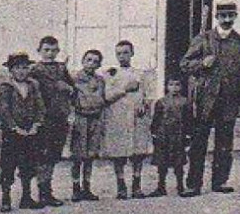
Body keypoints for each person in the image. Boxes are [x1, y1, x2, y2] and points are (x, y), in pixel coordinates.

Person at [181, 0, 240, 196]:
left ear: (235, 16)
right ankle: (193, 184)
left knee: (224, 144)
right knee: (198, 144)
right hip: (205, 99)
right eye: (223, 16)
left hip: (229, 100)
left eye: (231, 16)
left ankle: (220, 181)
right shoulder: (204, 39)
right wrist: (202, 64)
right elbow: (184, 64)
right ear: (217, 17)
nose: (227, 20)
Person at [101, 40, 152, 200]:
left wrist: (145, 105)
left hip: (137, 116)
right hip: (118, 115)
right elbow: (107, 96)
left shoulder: (140, 73)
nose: (122, 56)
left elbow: (147, 94)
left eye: (125, 52)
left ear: (132, 53)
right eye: (119, 53)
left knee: (138, 151)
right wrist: (124, 89)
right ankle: (121, 185)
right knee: (119, 151)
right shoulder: (109, 74)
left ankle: (136, 184)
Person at [0, 52, 45, 212]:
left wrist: (36, 124)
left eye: (25, 68)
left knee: (28, 164)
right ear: (11, 70)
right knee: (8, 165)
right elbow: (3, 110)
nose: (22, 71)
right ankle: (6, 197)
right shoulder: (6, 87)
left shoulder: (33, 85)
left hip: (30, 131)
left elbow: (40, 106)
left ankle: (26, 196)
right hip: (12, 132)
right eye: (17, 68)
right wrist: (13, 127)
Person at [27, 36, 73, 209]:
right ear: (39, 51)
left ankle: (48, 190)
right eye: (46, 50)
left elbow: (72, 88)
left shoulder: (62, 68)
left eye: (54, 50)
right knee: (42, 155)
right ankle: (41, 191)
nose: (50, 54)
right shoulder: (34, 70)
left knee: (54, 155)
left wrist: (67, 88)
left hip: (59, 116)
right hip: (43, 118)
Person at [69, 49, 111, 202]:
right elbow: (70, 99)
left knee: (90, 155)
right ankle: (75, 188)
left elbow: (103, 99)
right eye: (89, 60)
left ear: (99, 64)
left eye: (95, 61)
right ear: (82, 61)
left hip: (95, 118)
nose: (91, 64)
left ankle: (87, 187)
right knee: (78, 155)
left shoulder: (100, 80)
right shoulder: (75, 79)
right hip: (81, 118)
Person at [148, 75, 192, 197]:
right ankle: (161, 186)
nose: (174, 88)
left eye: (177, 84)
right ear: (167, 87)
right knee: (162, 162)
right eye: (171, 85)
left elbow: (188, 120)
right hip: (163, 135)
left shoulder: (185, 102)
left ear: (181, 87)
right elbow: (156, 119)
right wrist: (154, 133)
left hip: (178, 135)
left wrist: (188, 135)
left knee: (178, 162)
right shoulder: (161, 102)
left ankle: (180, 186)